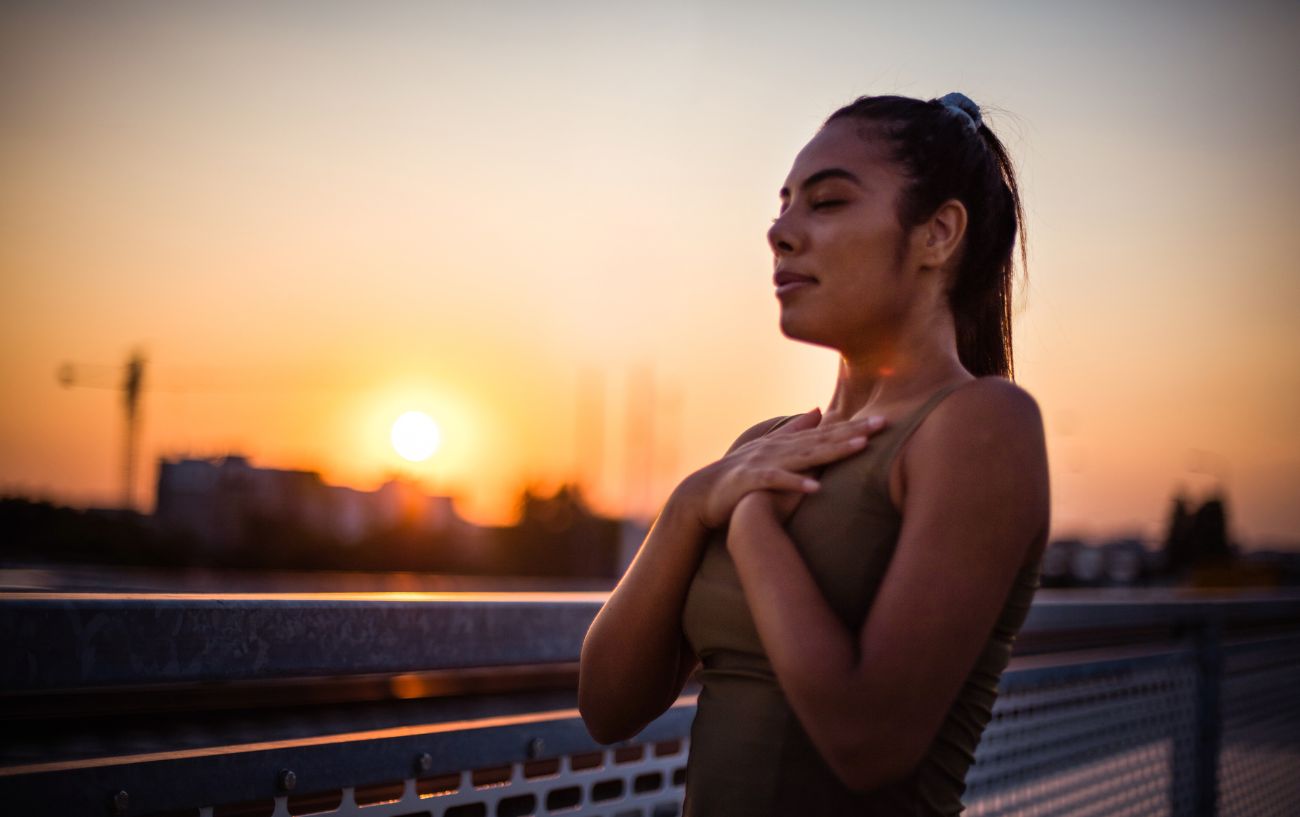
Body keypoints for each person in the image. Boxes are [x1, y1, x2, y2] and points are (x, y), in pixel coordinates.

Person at [578, 92, 1049, 816]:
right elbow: (607, 709)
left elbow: (868, 743)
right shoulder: (760, 453)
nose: (780, 232)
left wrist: (749, 522)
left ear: (938, 233)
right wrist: (687, 504)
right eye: (783, 203)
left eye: (826, 202)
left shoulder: (981, 424)